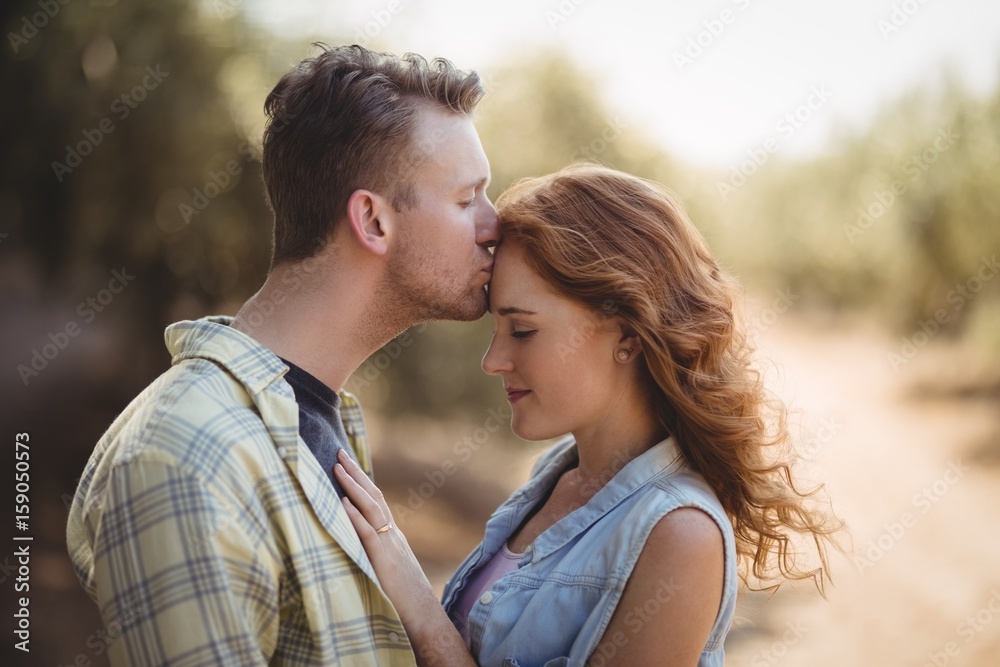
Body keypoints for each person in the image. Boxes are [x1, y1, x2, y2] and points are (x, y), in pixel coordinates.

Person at [65, 44, 499, 666]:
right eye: (467, 199)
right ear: (373, 221)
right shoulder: (186, 454)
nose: (495, 224)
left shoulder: (315, 420)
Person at [335, 164, 841, 666]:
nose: (492, 361)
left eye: (524, 331)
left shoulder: (680, 536)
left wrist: (421, 610)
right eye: (497, 329)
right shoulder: (557, 475)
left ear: (626, 335)